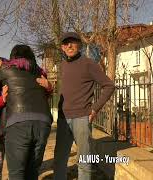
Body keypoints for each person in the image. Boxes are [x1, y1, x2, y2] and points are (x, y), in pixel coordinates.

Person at [0, 45, 53, 180]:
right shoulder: (40, 72)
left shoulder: (8, 69)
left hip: (18, 125)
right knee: (32, 172)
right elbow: (45, 94)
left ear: (12, 58)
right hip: (43, 124)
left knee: (17, 173)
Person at [53, 32, 115, 180]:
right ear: (62, 47)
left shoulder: (89, 64)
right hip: (63, 119)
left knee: (84, 161)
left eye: (73, 42)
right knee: (59, 160)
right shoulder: (62, 66)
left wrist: (95, 108)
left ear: (79, 45)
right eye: (66, 43)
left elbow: (109, 85)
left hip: (81, 117)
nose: (69, 45)